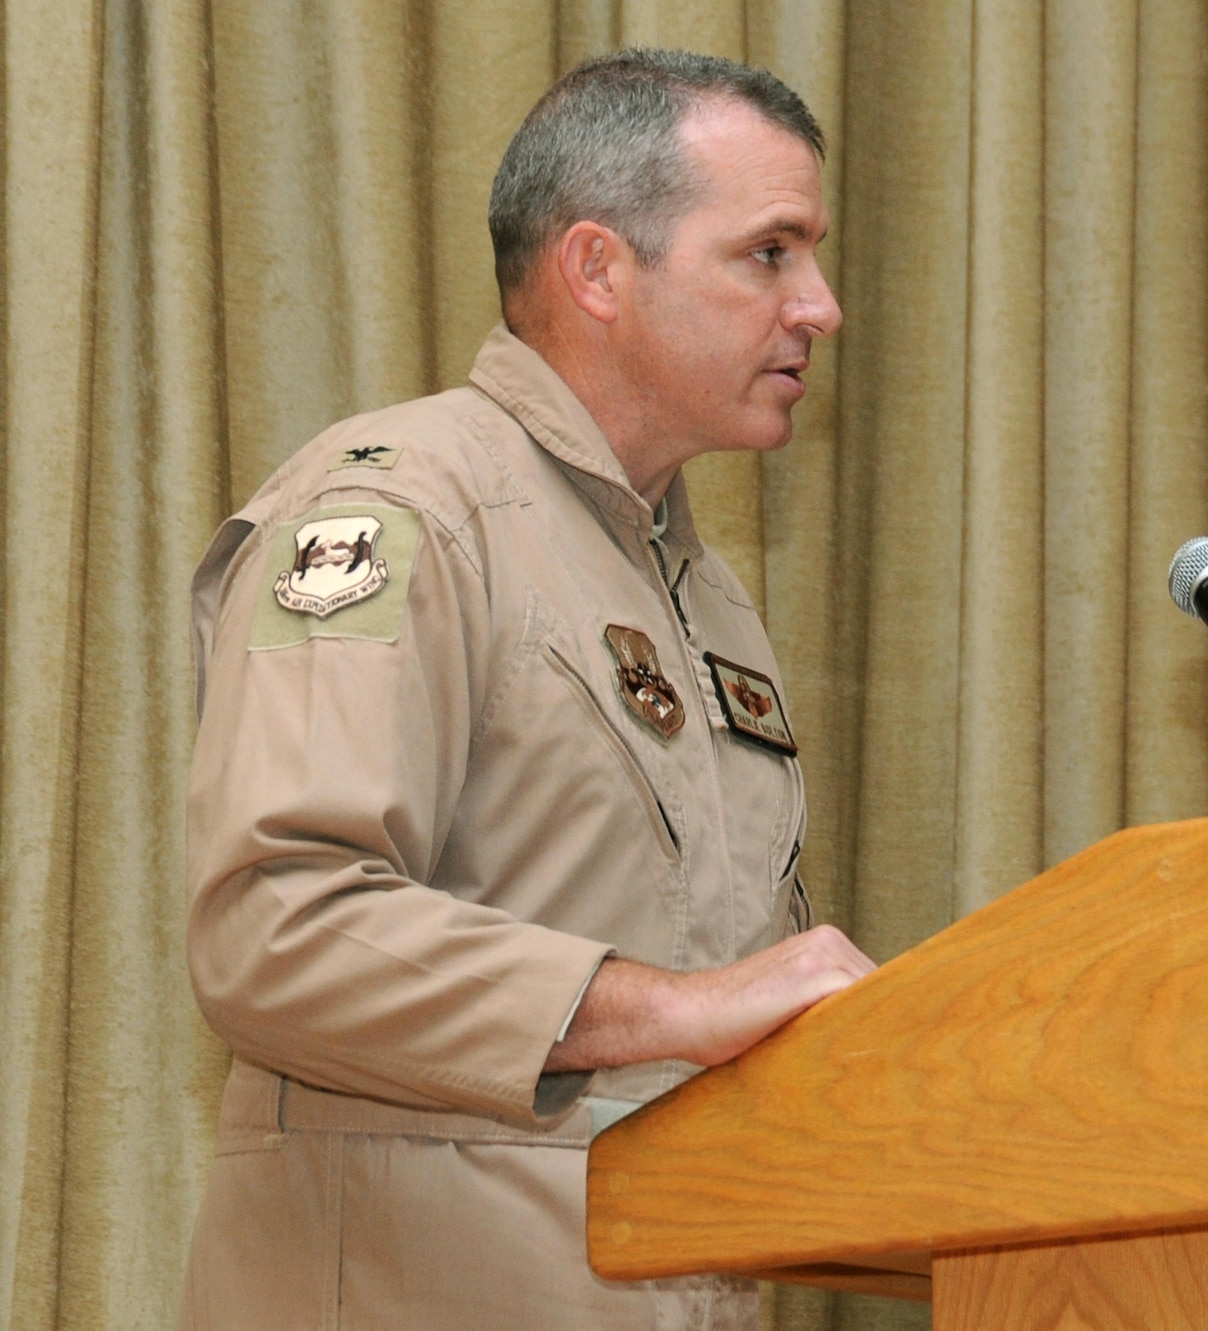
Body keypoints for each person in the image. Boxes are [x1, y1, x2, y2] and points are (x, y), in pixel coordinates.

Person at [178, 49, 873, 1330]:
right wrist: (672, 1006)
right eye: (769, 253)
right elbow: (274, 928)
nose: (819, 305)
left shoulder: (702, 595)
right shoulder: (404, 509)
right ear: (598, 268)